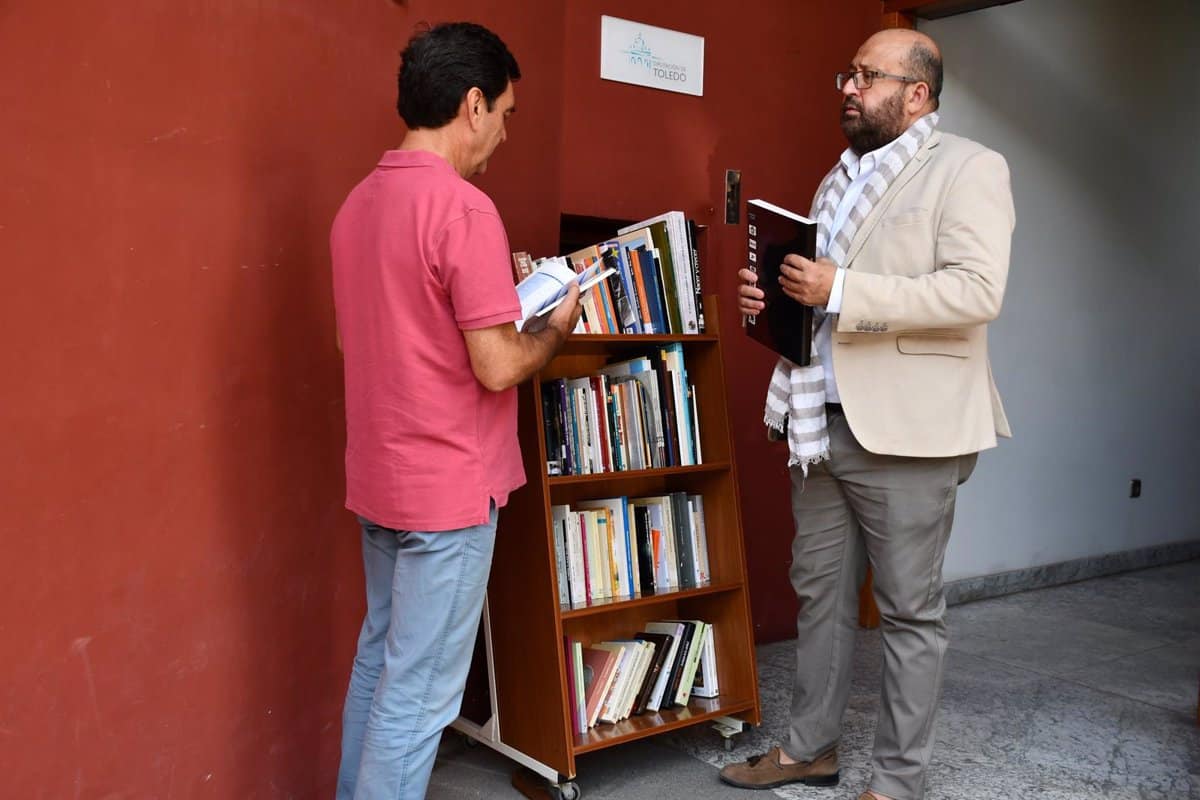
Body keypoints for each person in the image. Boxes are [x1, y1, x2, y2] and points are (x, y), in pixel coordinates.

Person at [719, 28, 1014, 800]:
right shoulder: (836, 180)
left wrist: (841, 288)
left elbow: (976, 292)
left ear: (917, 94)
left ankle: (897, 781)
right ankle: (810, 748)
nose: (849, 88)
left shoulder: (971, 169)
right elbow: (820, 292)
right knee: (820, 596)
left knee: (911, 613)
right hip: (821, 424)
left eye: (868, 76)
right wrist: (775, 301)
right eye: (846, 74)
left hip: (910, 432)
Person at [329, 22, 581, 800]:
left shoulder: (357, 204)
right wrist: (554, 328)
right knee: (419, 700)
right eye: (505, 113)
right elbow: (498, 364)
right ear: (472, 104)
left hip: (381, 478)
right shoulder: (465, 211)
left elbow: (373, 342)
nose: (504, 134)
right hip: (449, 493)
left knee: (378, 665)